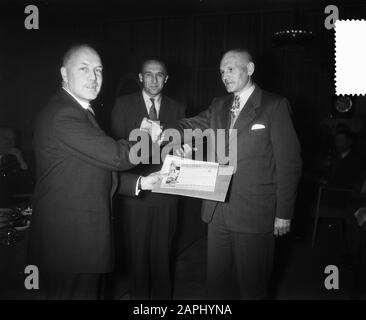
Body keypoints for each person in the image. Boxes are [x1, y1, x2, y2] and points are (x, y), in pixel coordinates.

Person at [160, 48, 302, 299]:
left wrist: (284, 213)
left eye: (231, 69)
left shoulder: (274, 105)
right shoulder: (219, 104)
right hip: (217, 213)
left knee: (252, 288)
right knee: (216, 286)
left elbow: (289, 164)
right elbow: (190, 124)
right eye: (221, 71)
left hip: (255, 213)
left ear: (250, 69)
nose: (224, 75)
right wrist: (165, 129)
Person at [28, 44, 160, 300]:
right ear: (65, 73)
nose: (93, 77)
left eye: (98, 70)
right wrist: (146, 136)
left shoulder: (79, 111)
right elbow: (117, 156)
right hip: (70, 245)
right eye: (84, 68)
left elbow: (94, 169)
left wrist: (142, 183)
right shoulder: (64, 114)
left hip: (80, 242)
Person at [111, 58, 186, 299]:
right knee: (137, 259)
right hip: (136, 195)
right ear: (140, 78)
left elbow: (181, 146)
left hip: (167, 195)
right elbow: (115, 151)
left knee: (163, 258)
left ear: (167, 78)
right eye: (149, 74)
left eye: (160, 74)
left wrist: (184, 150)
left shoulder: (178, 107)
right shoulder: (122, 105)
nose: (154, 79)